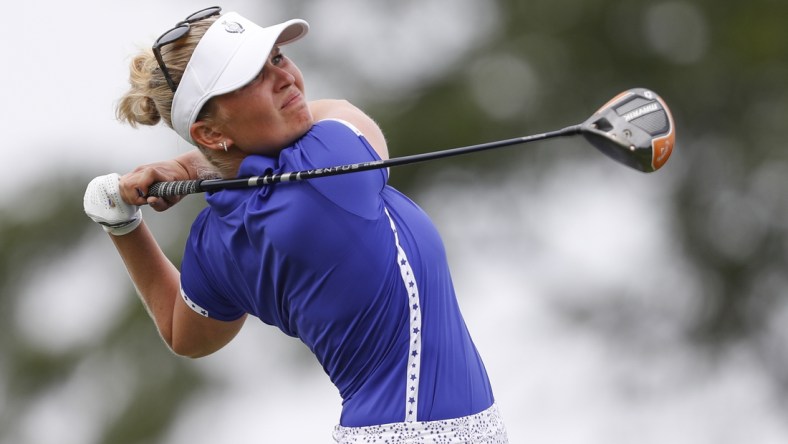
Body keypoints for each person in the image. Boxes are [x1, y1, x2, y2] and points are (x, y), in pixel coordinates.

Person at [83, 6, 509, 443]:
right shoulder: (326, 166)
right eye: (251, 77)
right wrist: (186, 165)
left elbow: (185, 334)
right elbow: (341, 110)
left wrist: (121, 224)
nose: (284, 78)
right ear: (209, 133)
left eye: (277, 58)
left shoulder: (213, 240)